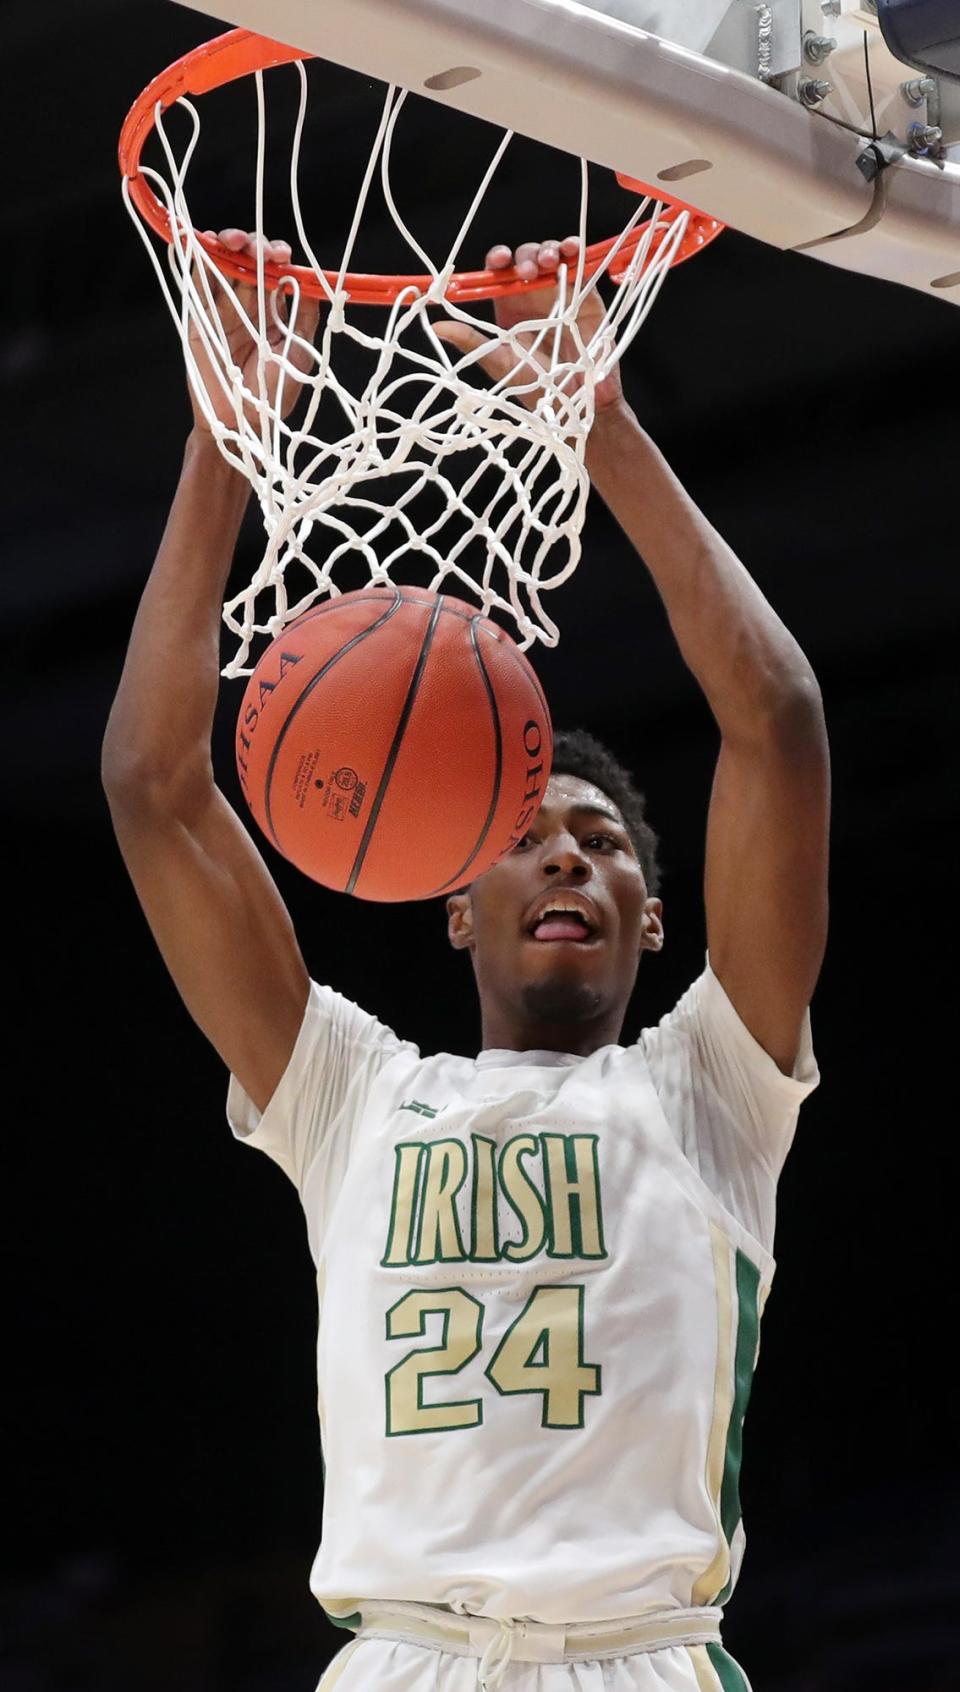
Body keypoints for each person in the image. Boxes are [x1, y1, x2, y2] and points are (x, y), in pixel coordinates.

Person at [102, 230, 830, 1692]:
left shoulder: (711, 1092)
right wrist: (219, 446)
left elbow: (779, 721)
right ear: (452, 899)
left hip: (637, 1656)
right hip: (404, 1660)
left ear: (653, 923)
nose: (573, 855)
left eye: (610, 844)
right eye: (536, 835)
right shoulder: (353, 1097)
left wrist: (600, 423)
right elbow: (152, 784)